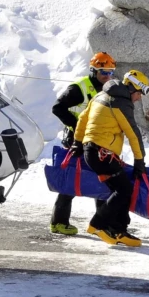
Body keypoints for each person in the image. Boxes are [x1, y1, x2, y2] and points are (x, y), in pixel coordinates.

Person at [71, 70, 149, 247]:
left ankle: (118, 229)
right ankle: (97, 224)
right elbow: (133, 134)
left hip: (92, 150)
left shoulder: (102, 94)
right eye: (139, 94)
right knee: (123, 190)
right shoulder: (121, 102)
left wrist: (77, 142)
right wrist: (140, 161)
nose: (138, 99)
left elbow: (83, 119)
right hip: (102, 153)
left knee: (122, 188)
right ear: (132, 89)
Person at [49, 52, 117, 235]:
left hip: (97, 141)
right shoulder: (80, 88)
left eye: (110, 72)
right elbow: (57, 108)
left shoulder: (108, 89)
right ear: (94, 71)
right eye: (103, 72)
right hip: (77, 142)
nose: (107, 76)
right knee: (72, 181)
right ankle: (59, 222)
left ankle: (101, 223)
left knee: (102, 181)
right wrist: (76, 125)